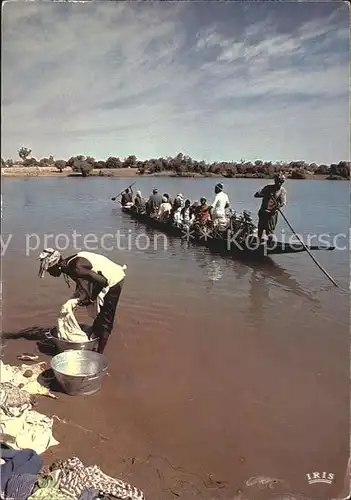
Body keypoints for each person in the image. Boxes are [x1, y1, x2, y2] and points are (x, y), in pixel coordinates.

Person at [38, 248, 126, 354]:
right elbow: (84, 281)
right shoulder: (68, 264)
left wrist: (92, 297)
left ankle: (98, 354)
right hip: (105, 276)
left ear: (55, 265)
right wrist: (81, 298)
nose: (50, 273)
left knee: (106, 320)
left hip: (113, 279)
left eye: (49, 270)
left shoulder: (75, 267)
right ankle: (94, 338)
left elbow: (103, 282)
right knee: (99, 314)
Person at [254, 172, 287, 240]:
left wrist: (278, 206)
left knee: (270, 231)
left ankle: (270, 245)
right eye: (277, 181)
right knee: (260, 229)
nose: (279, 184)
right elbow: (256, 195)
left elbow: (283, 202)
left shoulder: (282, 191)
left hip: (272, 214)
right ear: (275, 181)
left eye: (281, 182)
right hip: (263, 212)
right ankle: (258, 242)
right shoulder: (268, 188)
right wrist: (265, 194)